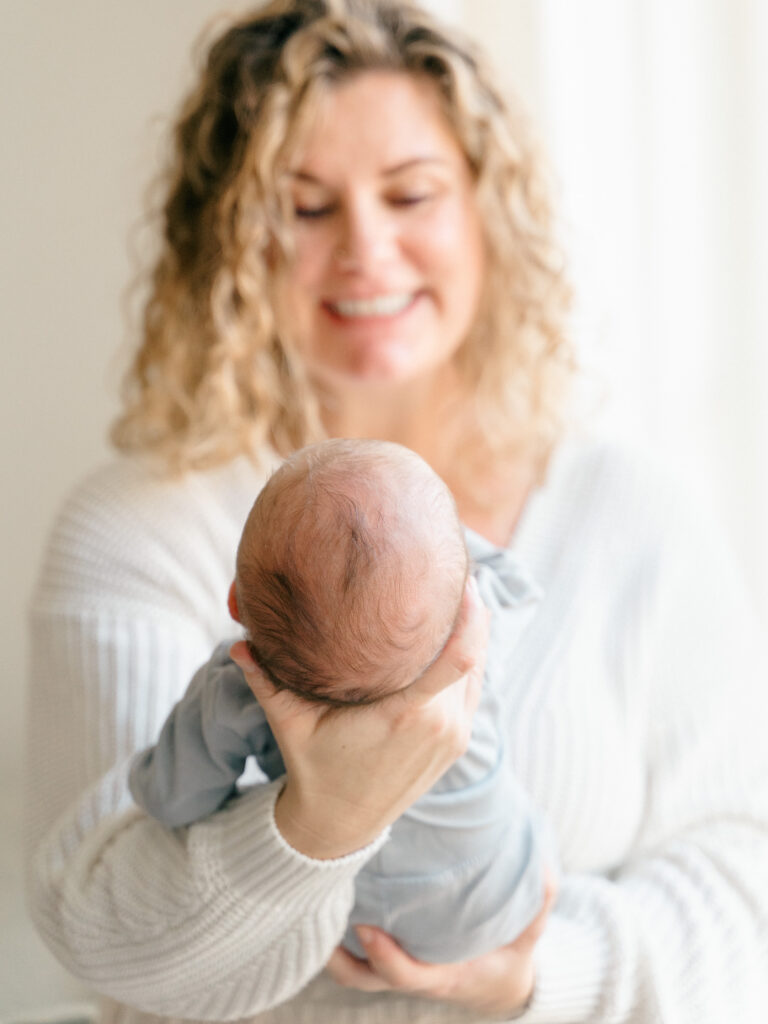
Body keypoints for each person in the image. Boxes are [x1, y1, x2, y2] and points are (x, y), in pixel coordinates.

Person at [25, 0, 768, 1022]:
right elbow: (99, 935)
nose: (366, 250)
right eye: (307, 205)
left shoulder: (637, 519)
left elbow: (746, 898)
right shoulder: (139, 530)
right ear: (233, 241)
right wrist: (317, 824)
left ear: (485, 210)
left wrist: (532, 972)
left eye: (411, 193)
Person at [128, 437, 551, 963]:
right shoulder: (473, 639)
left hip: (347, 927)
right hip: (496, 902)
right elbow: (519, 581)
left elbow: (171, 800)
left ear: (235, 600)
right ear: (464, 600)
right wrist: (443, 557)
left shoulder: (238, 688)